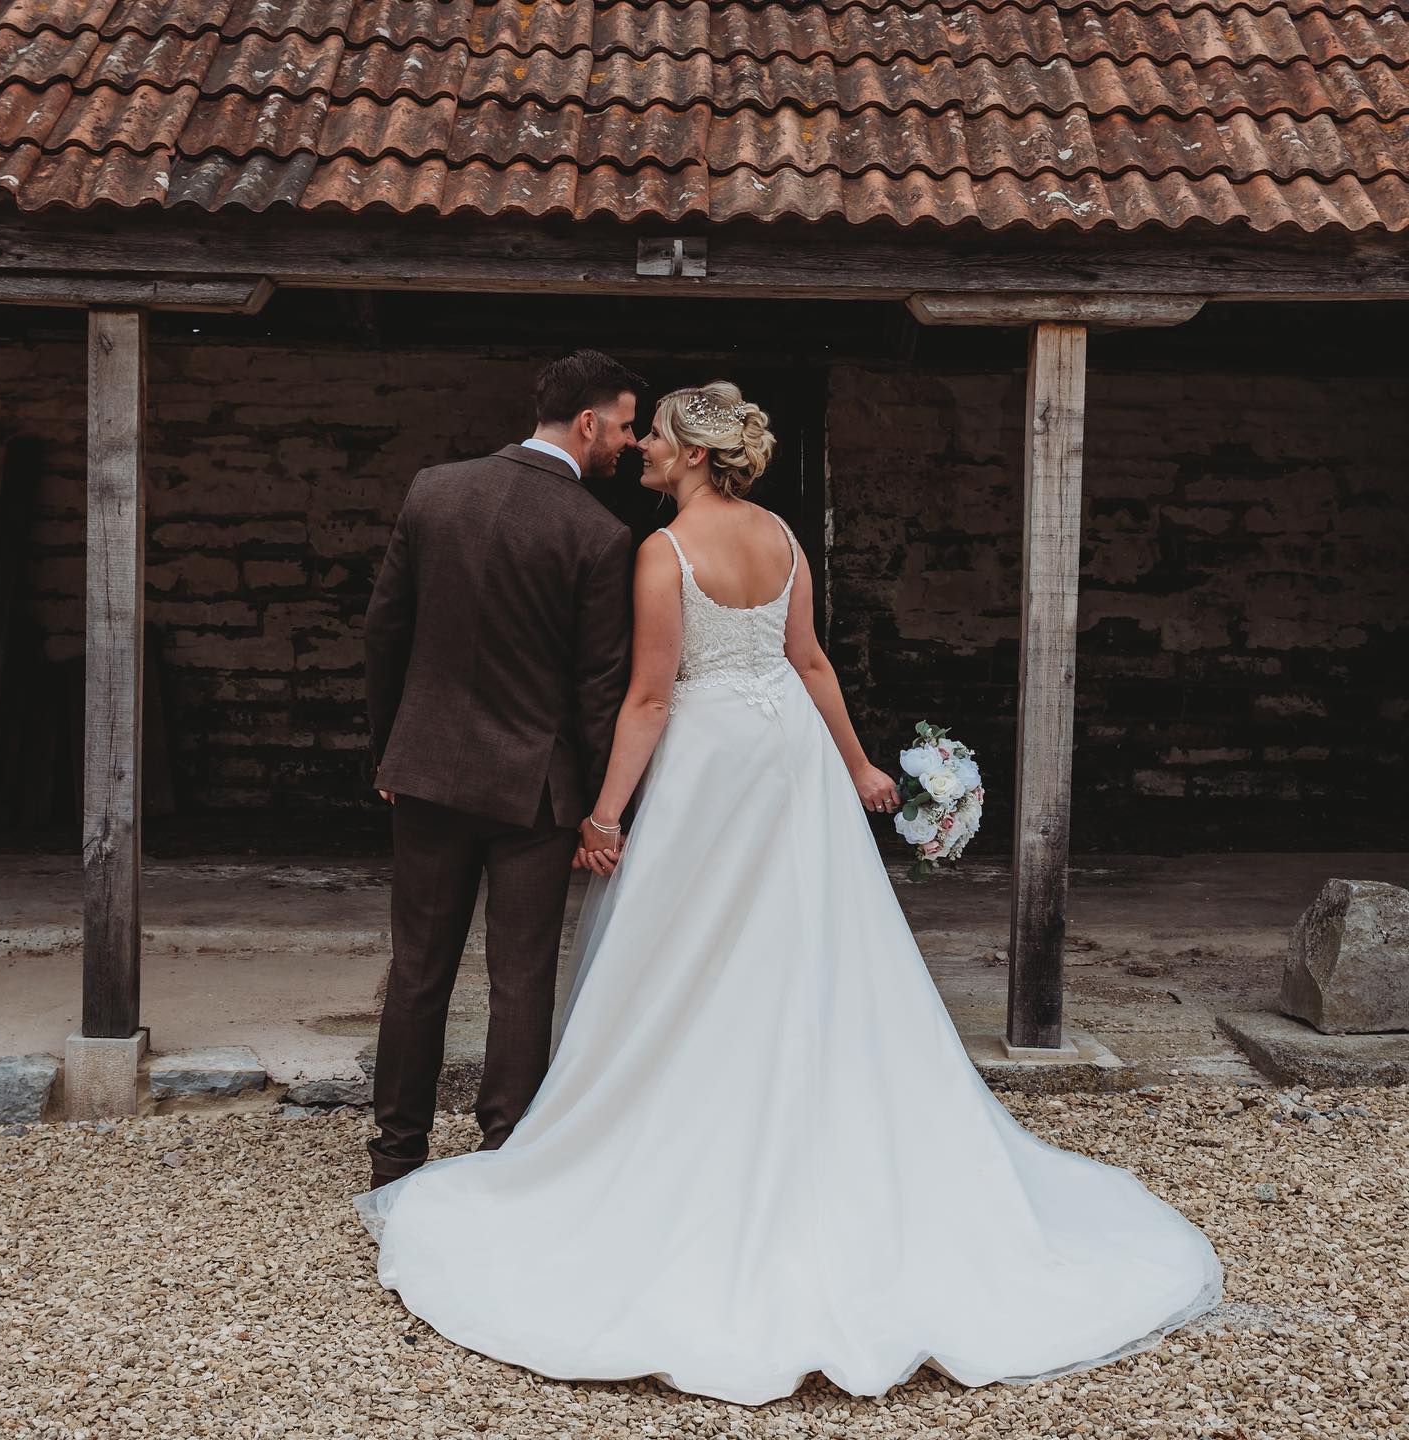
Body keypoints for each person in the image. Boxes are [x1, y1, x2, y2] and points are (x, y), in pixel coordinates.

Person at [355, 381, 1222, 1405]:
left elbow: (644, 696)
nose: (640, 454)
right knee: (803, 941)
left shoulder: (661, 553)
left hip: (708, 766)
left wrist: (604, 815)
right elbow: (808, 660)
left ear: (686, 455)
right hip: (790, 762)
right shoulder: (783, 538)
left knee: (686, 951)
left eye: (654, 443)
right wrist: (856, 768)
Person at [362, 349, 643, 1185]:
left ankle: (395, 1157)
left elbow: (385, 631)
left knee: (417, 969)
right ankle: (503, 1155)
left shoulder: (433, 490)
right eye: (626, 426)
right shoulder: (600, 533)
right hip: (534, 791)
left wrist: (391, 749)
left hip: (429, 772)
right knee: (522, 979)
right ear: (588, 423)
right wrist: (600, 807)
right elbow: (599, 688)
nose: (629, 444)